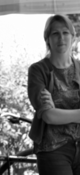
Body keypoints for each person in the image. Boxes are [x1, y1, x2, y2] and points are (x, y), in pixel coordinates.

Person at [28, 14, 80, 175]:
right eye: (55, 33)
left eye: (65, 32)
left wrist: (58, 111)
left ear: (73, 36)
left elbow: (55, 114)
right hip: (52, 149)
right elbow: (49, 116)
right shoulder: (38, 70)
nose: (61, 38)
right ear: (47, 39)